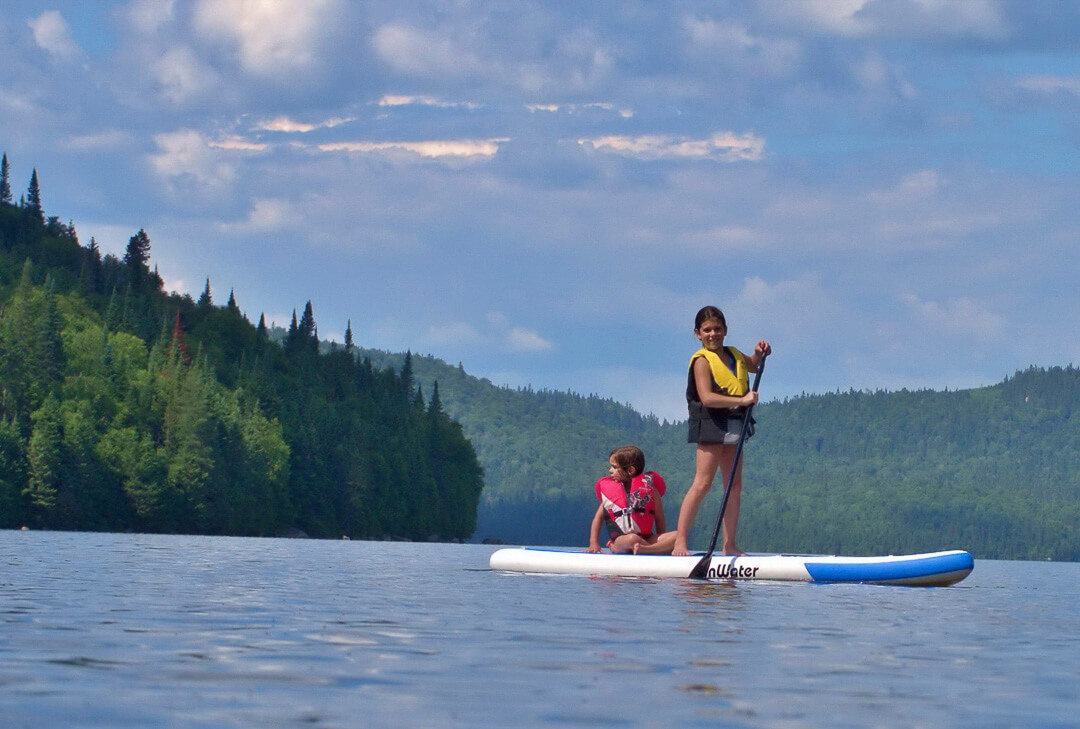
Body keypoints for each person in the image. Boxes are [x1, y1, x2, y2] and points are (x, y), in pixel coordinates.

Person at [637, 306, 770, 556]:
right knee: (703, 483)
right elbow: (707, 398)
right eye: (707, 330)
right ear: (698, 333)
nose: (713, 334)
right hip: (711, 423)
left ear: (726, 331)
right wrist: (743, 401)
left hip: (734, 422)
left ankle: (729, 545)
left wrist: (758, 353)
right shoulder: (701, 361)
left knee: (733, 484)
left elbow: (752, 365)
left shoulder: (733, 354)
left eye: (717, 329)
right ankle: (680, 543)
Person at [586, 446, 668, 554]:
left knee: (679, 536)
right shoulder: (611, 495)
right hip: (621, 541)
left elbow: (659, 518)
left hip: (646, 539)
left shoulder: (651, 490)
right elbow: (598, 519)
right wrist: (594, 543)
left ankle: (647, 549)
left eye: (614, 467)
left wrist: (660, 539)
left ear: (630, 470)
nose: (610, 470)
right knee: (632, 539)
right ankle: (654, 550)